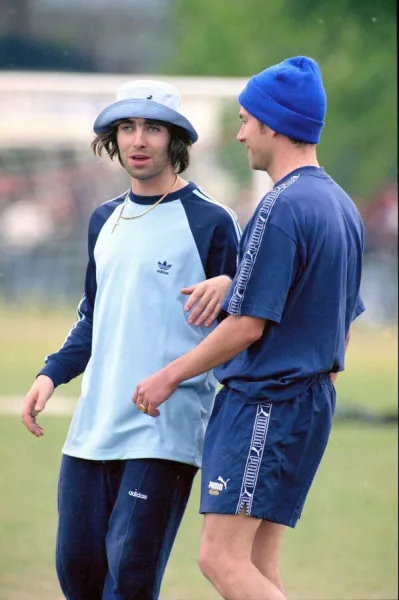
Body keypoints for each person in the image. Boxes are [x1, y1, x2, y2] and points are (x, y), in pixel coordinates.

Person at [132, 57, 366, 600]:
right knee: (259, 566)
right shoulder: (340, 204)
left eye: (245, 120)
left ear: (274, 124)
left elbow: (246, 327)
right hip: (304, 405)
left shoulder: (279, 206)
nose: (240, 134)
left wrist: (168, 377)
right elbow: (340, 319)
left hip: (266, 402)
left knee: (220, 559)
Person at [21, 79, 240, 600]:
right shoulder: (104, 220)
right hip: (92, 430)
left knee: (132, 582)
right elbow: (94, 316)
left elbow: (243, 321)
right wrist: (51, 373)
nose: (138, 139)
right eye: (127, 127)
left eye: (152, 128)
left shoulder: (211, 221)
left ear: (176, 140)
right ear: (114, 138)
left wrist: (230, 288)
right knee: (78, 576)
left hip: (163, 432)